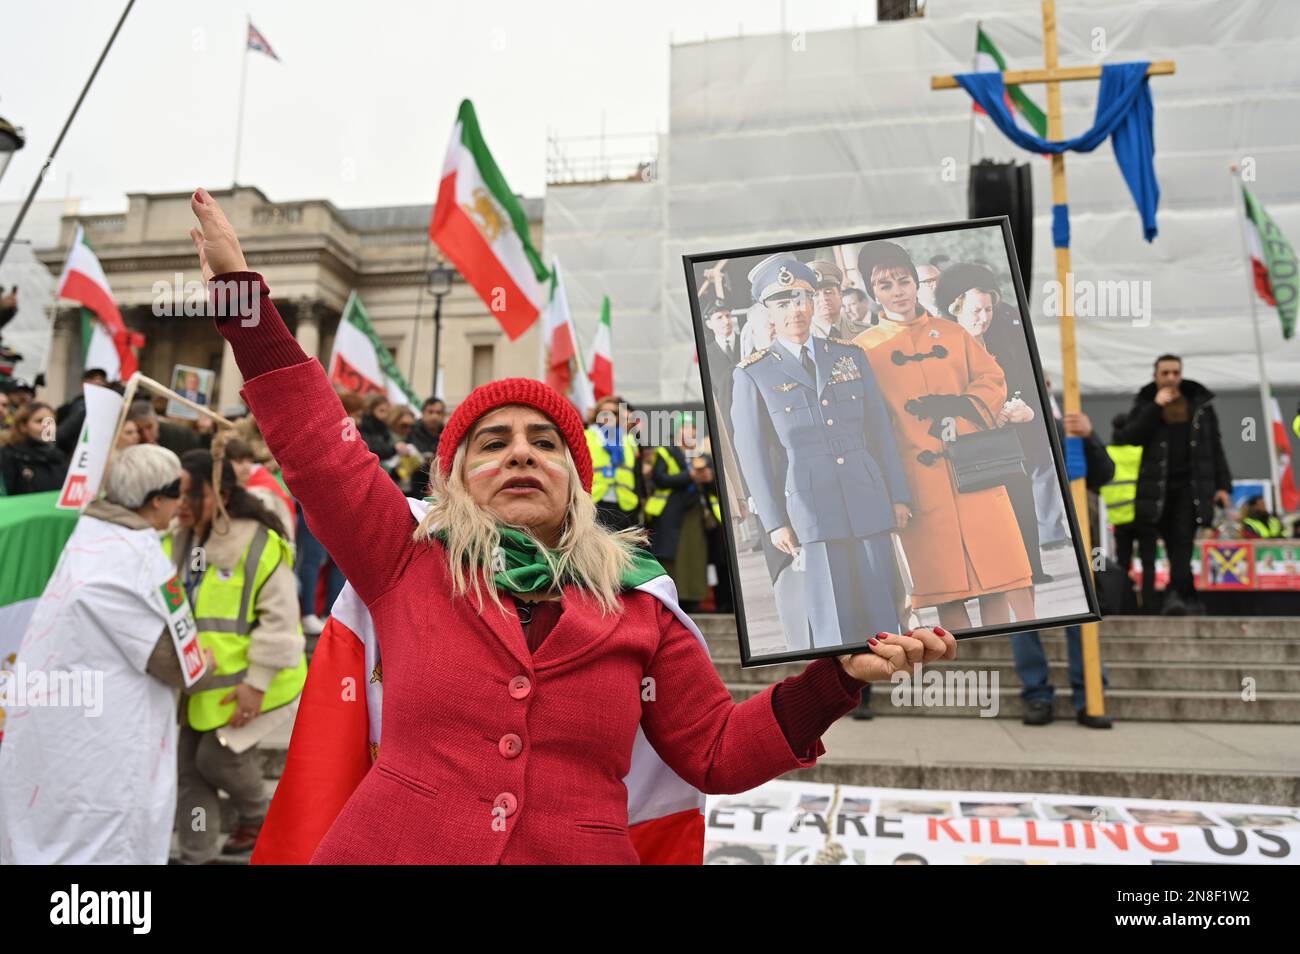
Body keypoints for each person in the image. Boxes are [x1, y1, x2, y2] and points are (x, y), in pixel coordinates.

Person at [186, 186, 957, 863]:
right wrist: (244, 307)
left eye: (545, 442)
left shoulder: (640, 603)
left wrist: (835, 680)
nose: (521, 453)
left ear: (576, 482)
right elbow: (319, 443)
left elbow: (717, 753)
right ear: (454, 483)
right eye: (493, 443)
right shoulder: (405, 557)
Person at [0, 444, 213, 863]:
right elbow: (175, 663)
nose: (180, 507)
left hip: (74, 729)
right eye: (177, 496)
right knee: (98, 849)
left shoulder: (98, 534)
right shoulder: (125, 560)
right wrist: (205, 663)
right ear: (155, 500)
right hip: (103, 742)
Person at [731, 254, 911, 650]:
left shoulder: (850, 356)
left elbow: (881, 431)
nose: (794, 310)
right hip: (810, 505)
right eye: (782, 303)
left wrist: (898, 493)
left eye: (801, 299)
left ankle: (890, 678)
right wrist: (775, 520)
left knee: (882, 602)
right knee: (834, 610)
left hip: (866, 493)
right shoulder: (753, 373)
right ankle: (850, 695)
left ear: (813, 303)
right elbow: (753, 453)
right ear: (768, 313)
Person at [852, 241, 1034, 631]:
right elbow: (866, 420)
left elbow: (991, 379)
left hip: (976, 467)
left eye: (904, 281)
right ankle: (968, 661)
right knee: (944, 589)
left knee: (996, 577)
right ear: (873, 293)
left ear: (916, 283)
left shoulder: (953, 333)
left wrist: (962, 410)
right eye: (885, 286)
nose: (897, 291)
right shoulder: (862, 350)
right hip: (917, 479)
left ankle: (999, 653)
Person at [167, 448, 307, 863]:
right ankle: (197, 853)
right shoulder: (181, 536)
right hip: (202, 685)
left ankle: (258, 814)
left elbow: (281, 622)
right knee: (191, 772)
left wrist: (256, 684)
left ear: (223, 495)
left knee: (215, 759)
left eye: (192, 493)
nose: (181, 502)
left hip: (258, 682)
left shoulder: (260, 542)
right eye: (178, 492)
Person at [933, 262, 1048, 585]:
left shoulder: (1003, 344)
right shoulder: (941, 350)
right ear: (956, 308)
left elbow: (1027, 386)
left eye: (988, 310)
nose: (983, 318)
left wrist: (1027, 412)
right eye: (976, 310)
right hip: (966, 450)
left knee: (1022, 502)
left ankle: (1031, 567)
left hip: (1010, 442)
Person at [1010, 409, 1116, 729]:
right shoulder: (999, 423)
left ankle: (1089, 694)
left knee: (1080, 619)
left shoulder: (1065, 429)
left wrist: (1090, 436)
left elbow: (1103, 474)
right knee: (1025, 620)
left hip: (1070, 544)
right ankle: (1037, 695)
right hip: (1017, 540)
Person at [1113, 354, 1232, 615]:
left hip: (1190, 490)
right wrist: (1154, 408)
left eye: (1175, 372)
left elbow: (1214, 447)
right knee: (1156, 546)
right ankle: (1182, 598)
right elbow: (1128, 437)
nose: (1170, 378)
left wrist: (1223, 486)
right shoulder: (1145, 402)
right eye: (1165, 373)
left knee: (1182, 542)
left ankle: (1176, 595)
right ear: (1155, 375)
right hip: (1154, 490)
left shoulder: (1199, 404)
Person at [646, 419, 709, 611]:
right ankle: (673, 599)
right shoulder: (665, 452)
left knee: (695, 555)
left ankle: (694, 598)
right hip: (671, 513)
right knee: (672, 556)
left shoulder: (700, 455)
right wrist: (689, 476)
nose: (690, 432)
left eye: (694, 428)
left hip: (694, 512)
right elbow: (661, 479)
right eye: (686, 427)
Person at [586, 394, 644, 534]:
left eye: (614, 413)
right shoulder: (586, 436)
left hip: (625, 505)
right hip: (596, 503)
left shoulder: (628, 439)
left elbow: (637, 475)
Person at [1102, 414, 1143, 589]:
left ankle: (1123, 598)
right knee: (1148, 560)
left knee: (1122, 560)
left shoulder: (1107, 452)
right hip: (1141, 513)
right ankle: (1150, 602)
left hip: (1117, 516)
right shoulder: (1140, 451)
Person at [0, 401, 68, 495]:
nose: (47, 426)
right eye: (39, 421)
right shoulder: (8, 455)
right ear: (23, 426)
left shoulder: (60, 456)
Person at [807, 259, 855, 340]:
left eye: (828, 292)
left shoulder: (865, 332)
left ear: (840, 295)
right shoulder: (801, 341)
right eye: (815, 295)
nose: (824, 299)